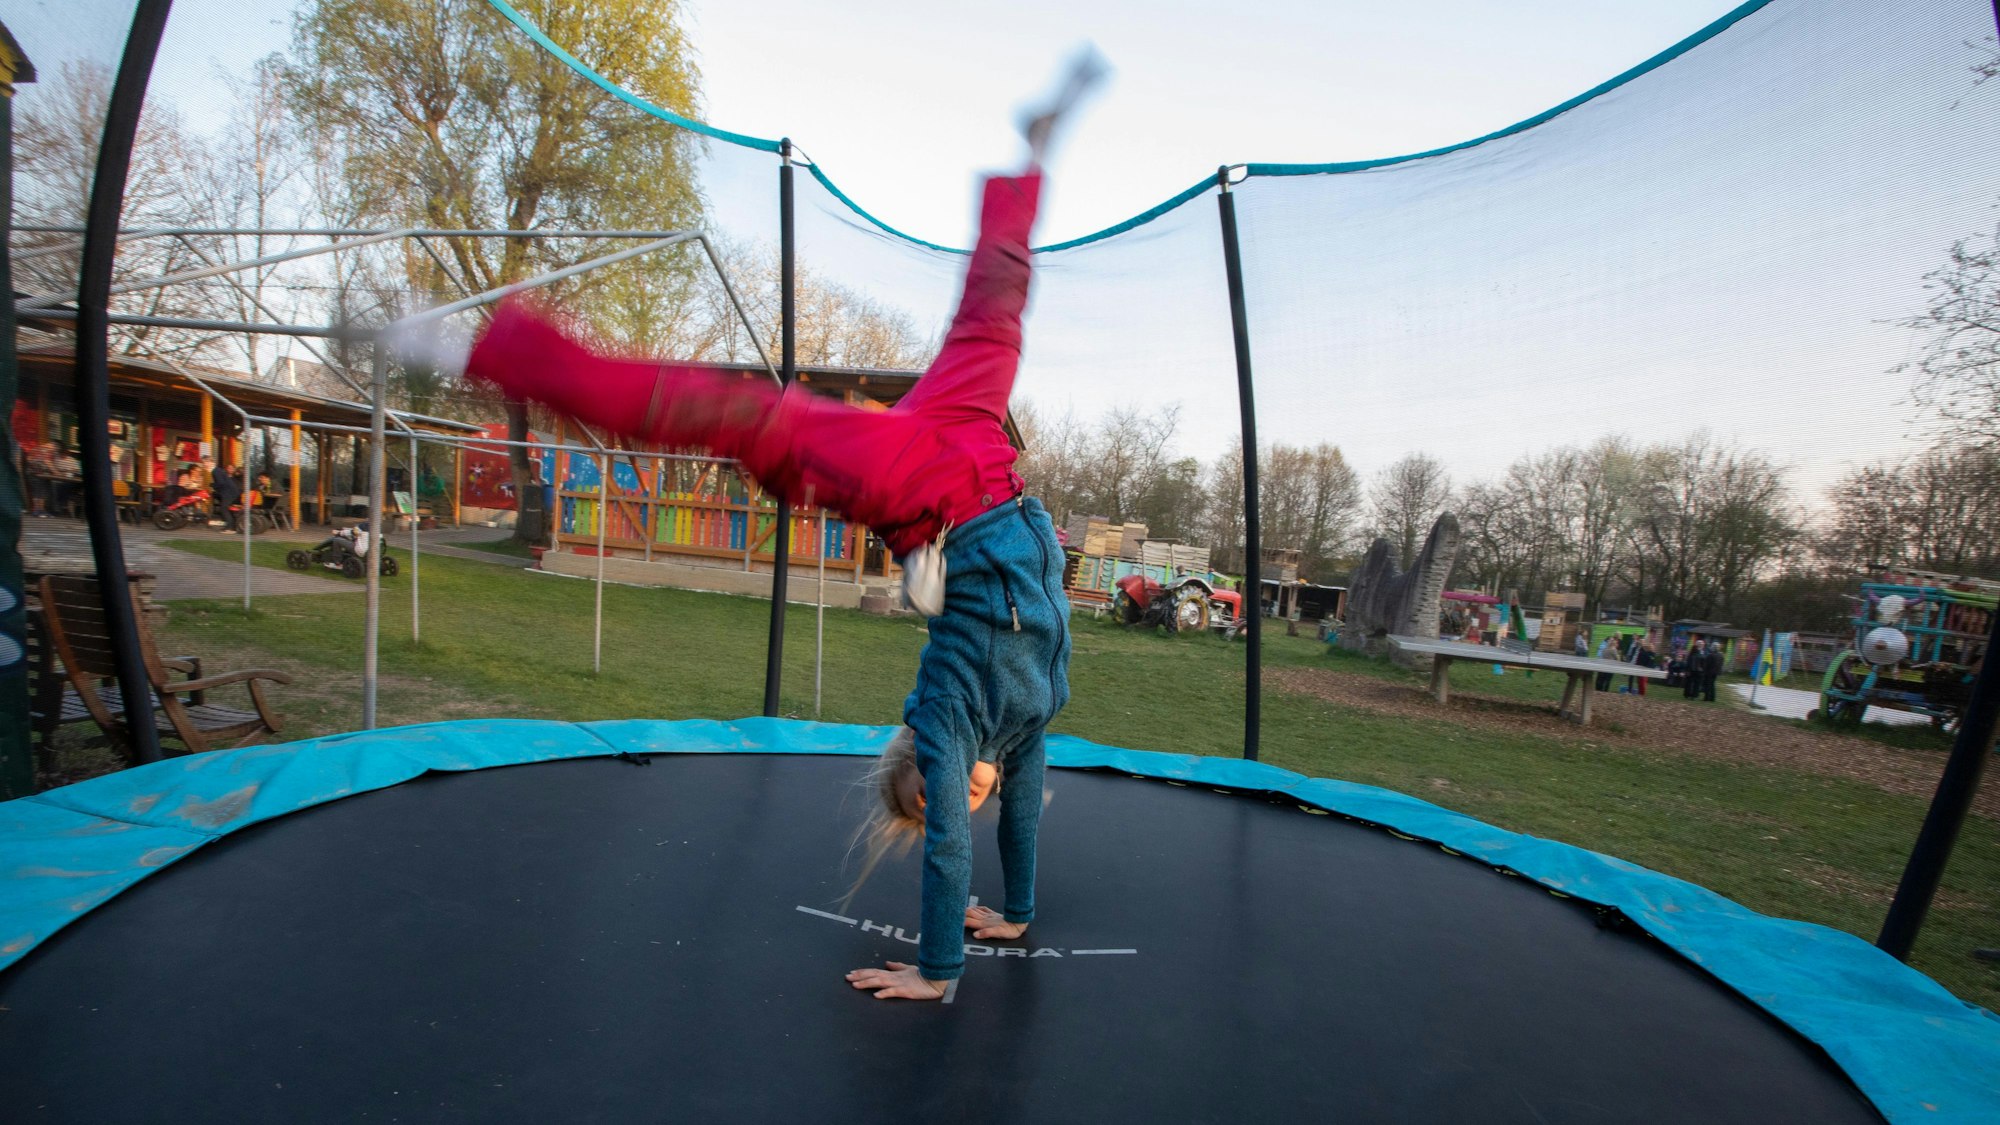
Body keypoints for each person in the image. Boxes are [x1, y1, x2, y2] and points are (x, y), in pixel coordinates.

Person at [461, 58, 1102, 1002]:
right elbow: (1018, 824)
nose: (950, 798)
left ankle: (503, 351)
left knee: (746, 420)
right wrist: (1018, 910)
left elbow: (950, 845)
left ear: (913, 755)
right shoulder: (1025, 726)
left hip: (921, 485)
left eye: (925, 788)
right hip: (981, 462)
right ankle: (1030, 162)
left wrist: (939, 970)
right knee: (995, 317)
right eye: (949, 799)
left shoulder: (944, 716)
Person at [209, 459, 243, 533]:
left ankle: (229, 528)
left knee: (224, 509)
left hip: (228, 493)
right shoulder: (219, 470)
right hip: (231, 492)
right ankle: (232, 527)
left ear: (210, 463)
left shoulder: (215, 471)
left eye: (205, 463)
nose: (204, 465)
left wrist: (212, 485)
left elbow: (221, 483)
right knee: (226, 509)